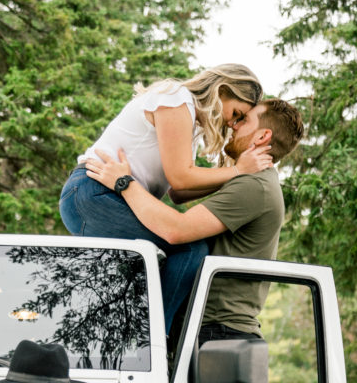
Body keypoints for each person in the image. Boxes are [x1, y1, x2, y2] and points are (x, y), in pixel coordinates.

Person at [59, 64, 271, 333]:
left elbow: (178, 193)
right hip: (93, 192)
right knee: (190, 249)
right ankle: (156, 338)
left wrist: (234, 180)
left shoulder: (190, 121)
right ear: (222, 90)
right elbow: (182, 177)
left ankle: (141, 332)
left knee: (150, 268)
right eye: (236, 113)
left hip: (111, 195)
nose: (232, 123)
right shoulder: (175, 99)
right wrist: (238, 170)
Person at [83, 98, 305, 342]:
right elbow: (178, 193)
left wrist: (123, 183)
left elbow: (176, 230)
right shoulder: (252, 180)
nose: (233, 125)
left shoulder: (255, 186)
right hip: (213, 330)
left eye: (243, 120)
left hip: (217, 333)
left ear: (262, 136)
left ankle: (151, 336)